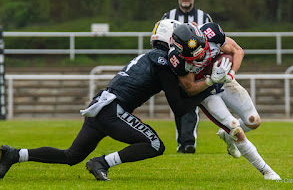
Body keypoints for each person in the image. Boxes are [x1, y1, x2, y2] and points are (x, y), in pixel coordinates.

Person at [0, 19, 223, 181]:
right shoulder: (162, 61)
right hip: (112, 109)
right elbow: (179, 107)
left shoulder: (150, 57)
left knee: (72, 155)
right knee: (154, 144)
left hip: (101, 104)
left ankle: (15, 154)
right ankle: (102, 162)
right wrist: (210, 86)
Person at [168, 23, 281, 180]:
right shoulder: (177, 58)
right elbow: (190, 88)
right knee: (235, 128)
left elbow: (238, 51)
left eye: (202, 51)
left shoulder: (212, 33)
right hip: (206, 93)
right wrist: (210, 81)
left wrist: (231, 74)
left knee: (253, 121)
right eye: (195, 57)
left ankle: (226, 135)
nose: (200, 57)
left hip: (225, 82)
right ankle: (267, 171)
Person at [161, 0, 213, 154]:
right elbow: (161, 40)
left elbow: (210, 43)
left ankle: (188, 142)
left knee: (191, 104)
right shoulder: (168, 16)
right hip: (175, 67)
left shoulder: (204, 17)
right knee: (177, 104)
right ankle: (184, 141)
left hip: (195, 68)